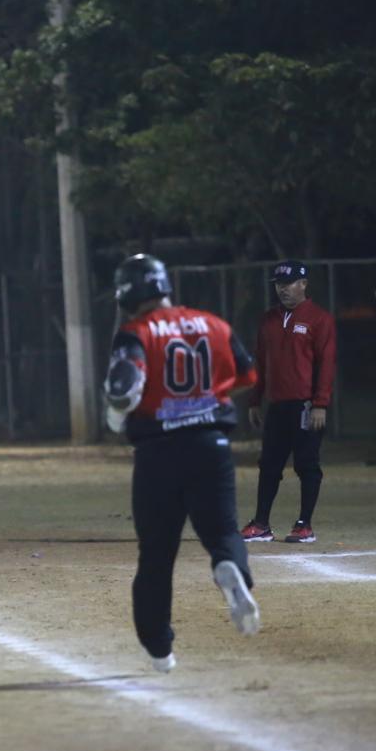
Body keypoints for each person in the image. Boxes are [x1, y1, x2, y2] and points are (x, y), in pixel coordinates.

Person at [104, 254, 261, 674]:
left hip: (157, 453)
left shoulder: (133, 332)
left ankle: (160, 650)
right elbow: (247, 377)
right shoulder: (214, 324)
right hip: (211, 444)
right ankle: (232, 573)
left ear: (126, 294)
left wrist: (117, 413)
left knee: (156, 554)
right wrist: (205, 401)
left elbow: (124, 390)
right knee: (224, 532)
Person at [240, 259, 337, 544]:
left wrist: (320, 403)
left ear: (303, 284)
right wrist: (255, 399)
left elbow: (327, 364)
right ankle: (261, 524)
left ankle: (304, 524)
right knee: (269, 464)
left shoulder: (319, 319)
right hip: (277, 405)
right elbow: (261, 362)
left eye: (289, 284)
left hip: (306, 406)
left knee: (307, 464)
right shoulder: (268, 319)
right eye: (279, 285)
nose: (283, 290)